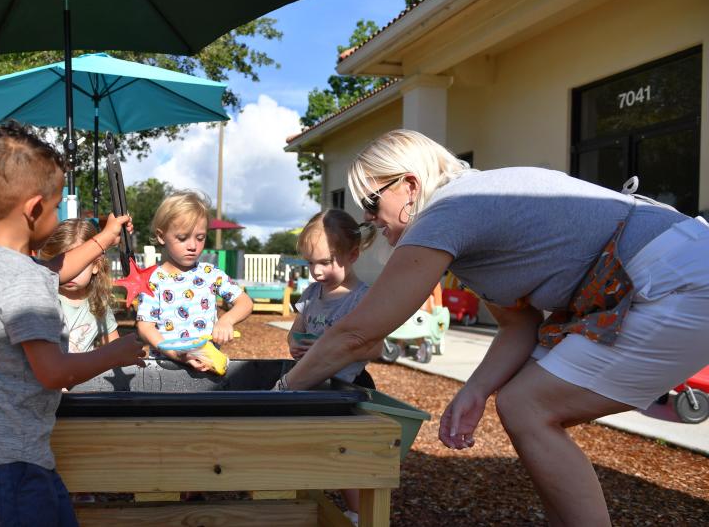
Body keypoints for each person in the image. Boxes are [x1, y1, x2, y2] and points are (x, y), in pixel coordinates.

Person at [278, 129, 709, 526]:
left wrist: (279, 394)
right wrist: (476, 389)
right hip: (668, 273)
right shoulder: (469, 207)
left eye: (372, 203)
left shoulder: (448, 212)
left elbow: (359, 335)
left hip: (675, 283)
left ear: (409, 185)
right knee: (524, 405)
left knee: (527, 406)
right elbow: (518, 324)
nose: (370, 219)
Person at [0, 123, 146, 527]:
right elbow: (53, 373)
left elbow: (51, 271)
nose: (57, 216)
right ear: (34, 208)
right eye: (57, 207)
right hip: (11, 459)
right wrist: (118, 351)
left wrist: (105, 238)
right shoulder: (23, 281)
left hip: (4, 450)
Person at [286, 208, 376, 524]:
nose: (317, 272)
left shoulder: (362, 298)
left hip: (347, 387)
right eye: (311, 263)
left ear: (352, 254)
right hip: (314, 383)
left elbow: (374, 345)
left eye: (325, 262)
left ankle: (358, 511)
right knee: (312, 444)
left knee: (343, 450)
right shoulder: (312, 294)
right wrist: (296, 342)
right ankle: (309, 496)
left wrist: (331, 350)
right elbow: (296, 329)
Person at [135, 190, 253, 372]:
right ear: (161, 236)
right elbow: (145, 327)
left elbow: (244, 302)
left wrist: (226, 321)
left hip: (207, 365)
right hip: (164, 368)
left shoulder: (210, 274)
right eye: (182, 238)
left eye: (200, 238)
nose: (192, 246)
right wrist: (176, 355)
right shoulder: (153, 280)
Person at [39, 219, 119, 353]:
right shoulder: (46, 298)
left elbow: (114, 346)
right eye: (62, 265)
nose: (71, 274)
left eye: (79, 267)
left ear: (96, 266)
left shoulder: (98, 304)